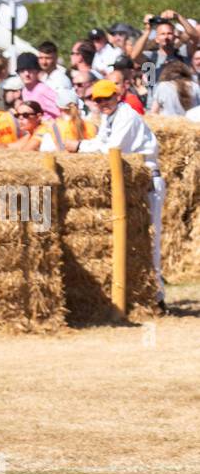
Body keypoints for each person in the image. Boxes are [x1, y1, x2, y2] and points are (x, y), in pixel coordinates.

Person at [78, 79, 165, 310]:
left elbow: (112, 149)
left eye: (107, 97)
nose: (103, 103)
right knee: (136, 239)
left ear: (118, 96)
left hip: (147, 181)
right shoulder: (110, 117)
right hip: (131, 183)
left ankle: (157, 297)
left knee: (150, 238)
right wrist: (81, 146)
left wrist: (78, 147)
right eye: (98, 100)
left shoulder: (127, 116)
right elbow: (100, 143)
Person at [16, 52, 60, 120]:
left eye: (30, 70)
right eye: (22, 70)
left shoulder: (43, 90)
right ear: (18, 73)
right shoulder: (24, 90)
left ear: (37, 71)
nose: (26, 74)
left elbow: (61, 112)